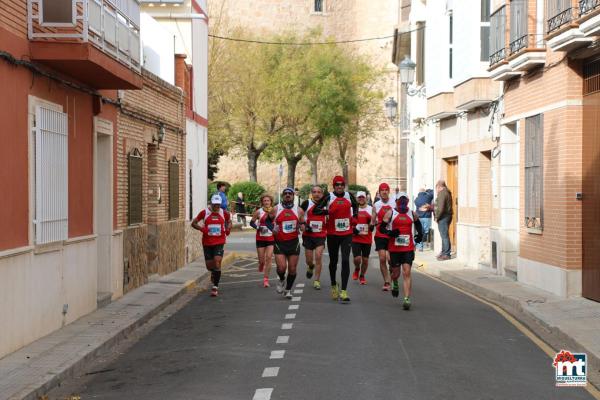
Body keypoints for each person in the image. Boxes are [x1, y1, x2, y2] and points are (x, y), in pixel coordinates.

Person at [315, 175, 358, 302]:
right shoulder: (329, 196)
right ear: (334, 186)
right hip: (333, 234)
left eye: (341, 184)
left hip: (346, 233)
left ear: (344, 186)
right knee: (333, 261)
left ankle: (344, 291)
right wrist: (328, 212)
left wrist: (354, 217)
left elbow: (355, 207)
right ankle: (334, 285)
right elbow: (316, 210)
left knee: (345, 260)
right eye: (337, 185)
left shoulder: (349, 196)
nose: (339, 186)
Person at [380, 192, 423, 310]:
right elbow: (381, 228)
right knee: (396, 273)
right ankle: (394, 282)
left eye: (405, 200)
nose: (403, 202)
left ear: (407, 201)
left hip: (407, 248)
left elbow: (419, 226)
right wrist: (390, 233)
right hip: (394, 248)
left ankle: (407, 298)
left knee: (407, 272)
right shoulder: (391, 212)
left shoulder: (412, 213)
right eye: (401, 200)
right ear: (397, 201)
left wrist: (420, 235)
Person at [191, 194, 232, 297]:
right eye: (215, 205)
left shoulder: (224, 213)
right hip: (207, 242)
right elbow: (193, 223)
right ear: (211, 204)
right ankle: (213, 272)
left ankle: (215, 287)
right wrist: (202, 229)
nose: (217, 207)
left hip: (219, 241)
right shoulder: (204, 213)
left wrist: (228, 229)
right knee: (209, 266)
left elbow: (229, 222)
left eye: (218, 205)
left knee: (217, 261)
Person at [269, 187, 305, 299]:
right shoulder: (276, 209)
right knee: (281, 268)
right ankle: (281, 279)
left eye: (290, 193)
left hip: (294, 243)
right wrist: (272, 228)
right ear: (282, 196)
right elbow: (266, 220)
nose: (288, 195)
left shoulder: (299, 210)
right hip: (280, 242)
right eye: (285, 193)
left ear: (293, 196)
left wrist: (302, 226)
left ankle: (288, 290)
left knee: (293, 269)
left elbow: (303, 223)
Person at [300, 185, 328, 290]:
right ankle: (311, 266)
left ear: (322, 193)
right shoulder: (306, 203)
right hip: (308, 235)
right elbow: (299, 215)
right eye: (314, 192)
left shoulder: (326, 204)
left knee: (319, 256)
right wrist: (304, 226)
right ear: (312, 193)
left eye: (319, 192)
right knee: (309, 260)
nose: (317, 194)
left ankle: (317, 280)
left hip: (321, 234)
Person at [372, 183, 394, 291]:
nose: (384, 192)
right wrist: (371, 225)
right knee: (382, 258)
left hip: (391, 234)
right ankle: (386, 281)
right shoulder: (376, 205)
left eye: (386, 190)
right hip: (380, 234)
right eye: (382, 190)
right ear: (379, 192)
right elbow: (372, 220)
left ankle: (392, 273)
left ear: (388, 191)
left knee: (390, 259)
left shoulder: (394, 203)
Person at [250, 194, 275, 287]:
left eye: (268, 201)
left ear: (270, 202)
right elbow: (251, 222)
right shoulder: (258, 212)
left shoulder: (274, 211)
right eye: (264, 201)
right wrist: (258, 228)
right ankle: (261, 264)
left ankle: (266, 279)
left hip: (271, 238)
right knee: (262, 260)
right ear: (262, 202)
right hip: (260, 238)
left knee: (269, 258)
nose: (266, 202)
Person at [351, 191, 374, 285]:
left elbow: (373, 222)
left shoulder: (371, 209)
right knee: (357, 259)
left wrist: (371, 225)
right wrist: (353, 229)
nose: (361, 199)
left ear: (366, 198)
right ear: (357, 199)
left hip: (366, 238)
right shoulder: (353, 209)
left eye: (362, 197)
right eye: (359, 197)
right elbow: (348, 221)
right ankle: (357, 268)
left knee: (365, 260)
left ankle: (362, 275)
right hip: (355, 238)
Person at [434, 180, 453, 261]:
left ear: (439, 187)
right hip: (447, 216)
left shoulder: (442, 193)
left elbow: (441, 207)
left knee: (444, 236)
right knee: (443, 235)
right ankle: (443, 252)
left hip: (443, 216)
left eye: (436, 188)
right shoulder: (447, 192)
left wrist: (437, 217)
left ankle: (446, 254)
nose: (436, 190)